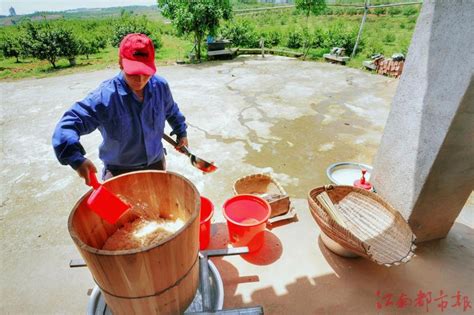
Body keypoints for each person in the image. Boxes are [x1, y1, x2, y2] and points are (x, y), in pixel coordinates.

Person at [52, 33, 188, 185]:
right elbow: (66, 127)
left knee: (156, 208)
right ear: (120, 63)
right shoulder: (103, 98)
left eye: (146, 72)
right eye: (134, 73)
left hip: (156, 164)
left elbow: (172, 110)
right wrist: (76, 160)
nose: (141, 79)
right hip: (119, 171)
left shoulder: (160, 87)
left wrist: (181, 132)